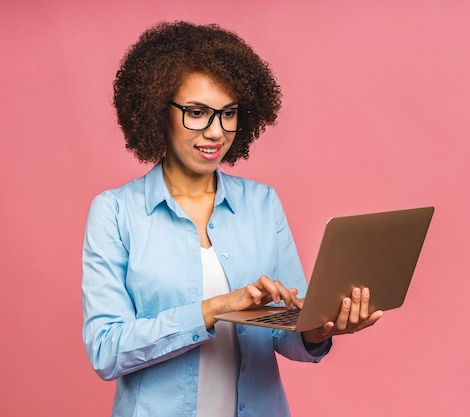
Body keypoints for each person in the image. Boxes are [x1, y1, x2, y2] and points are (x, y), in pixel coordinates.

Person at [81, 21, 383, 417]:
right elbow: (106, 350)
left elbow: (286, 328)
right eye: (196, 112)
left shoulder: (262, 203)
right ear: (159, 111)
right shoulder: (116, 212)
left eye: (228, 114)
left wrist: (316, 331)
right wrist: (214, 308)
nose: (215, 132)